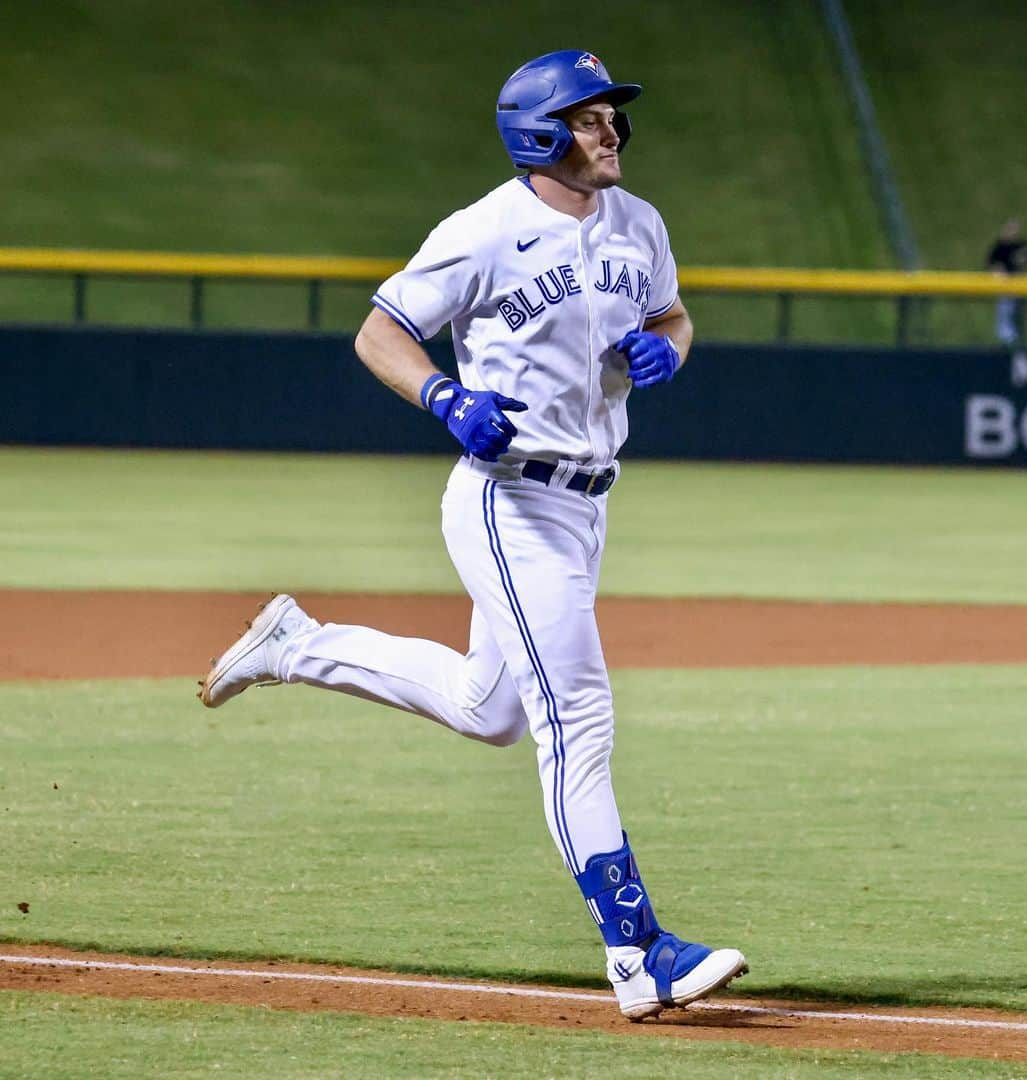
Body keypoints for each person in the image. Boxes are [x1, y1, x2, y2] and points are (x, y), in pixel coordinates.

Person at [198, 50, 748, 1020]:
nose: (611, 129)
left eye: (612, 113)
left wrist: (670, 346)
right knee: (576, 716)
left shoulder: (641, 224)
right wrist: (442, 394)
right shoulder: (483, 232)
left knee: (490, 708)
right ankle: (638, 951)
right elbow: (382, 333)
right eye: (588, 118)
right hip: (509, 501)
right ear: (539, 134)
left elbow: (672, 313)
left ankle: (300, 645)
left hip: (587, 504)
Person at [986, 219, 1027, 345]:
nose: (1013, 232)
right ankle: (1006, 341)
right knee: (1005, 311)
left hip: (1019, 283)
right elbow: (991, 263)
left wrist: (1025, 258)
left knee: (1019, 313)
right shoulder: (1000, 246)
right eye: (1011, 229)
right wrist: (998, 272)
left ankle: (1019, 339)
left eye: (1015, 229)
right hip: (1005, 285)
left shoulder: (1020, 245)